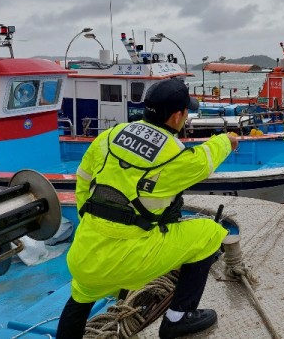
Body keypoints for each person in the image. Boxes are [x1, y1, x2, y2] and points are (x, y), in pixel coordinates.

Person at [57, 78, 238, 339]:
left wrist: (88, 220)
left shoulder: (108, 137)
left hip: (85, 256)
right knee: (209, 233)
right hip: (130, 260)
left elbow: (83, 178)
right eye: (186, 112)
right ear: (177, 116)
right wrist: (227, 140)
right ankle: (178, 318)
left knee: (80, 298)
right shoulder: (175, 157)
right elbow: (206, 158)